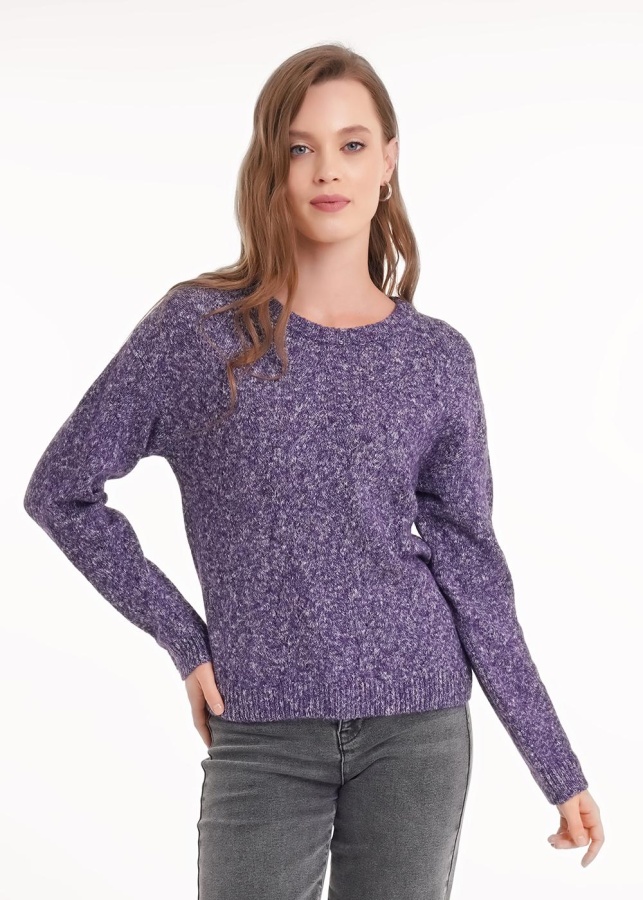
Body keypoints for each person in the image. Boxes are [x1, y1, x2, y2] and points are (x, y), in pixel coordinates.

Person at [23, 42, 604, 899]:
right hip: (260, 727)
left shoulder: (435, 359)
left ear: (388, 162)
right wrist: (184, 640)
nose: (327, 169)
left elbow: (473, 570)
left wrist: (555, 766)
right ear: (270, 165)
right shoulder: (200, 332)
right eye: (300, 147)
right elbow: (62, 491)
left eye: (351, 144)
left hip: (417, 727)